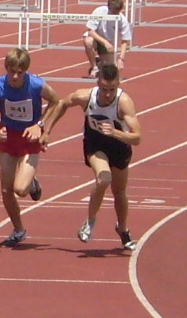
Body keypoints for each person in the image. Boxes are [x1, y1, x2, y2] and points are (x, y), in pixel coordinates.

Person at [42, 61, 142, 250]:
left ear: (118, 85)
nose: (107, 94)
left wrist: (115, 133)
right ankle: (90, 221)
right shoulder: (85, 97)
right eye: (104, 89)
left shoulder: (124, 102)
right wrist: (47, 131)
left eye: (112, 90)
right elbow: (63, 103)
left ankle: (123, 229)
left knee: (119, 193)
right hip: (95, 145)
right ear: (97, 83)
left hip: (119, 146)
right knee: (104, 178)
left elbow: (137, 137)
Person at [0, 47, 48, 248]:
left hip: (30, 139)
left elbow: (57, 102)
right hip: (7, 138)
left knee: (20, 189)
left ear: (26, 71)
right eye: (11, 71)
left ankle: (32, 183)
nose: (15, 76)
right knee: (5, 190)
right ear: (6, 68)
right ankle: (18, 229)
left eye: (20, 72)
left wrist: (40, 126)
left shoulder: (36, 85)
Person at [81, 0, 130, 71]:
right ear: (109, 7)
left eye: (118, 12)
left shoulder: (123, 20)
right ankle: (94, 67)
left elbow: (125, 40)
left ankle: (100, 62)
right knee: (88, 41)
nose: (116, 14)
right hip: (96, 39)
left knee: (112, 69)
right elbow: (90, 31)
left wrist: (121, 59)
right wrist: (105, 42)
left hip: (109, 44)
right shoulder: (99, 11)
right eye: (114, 12)